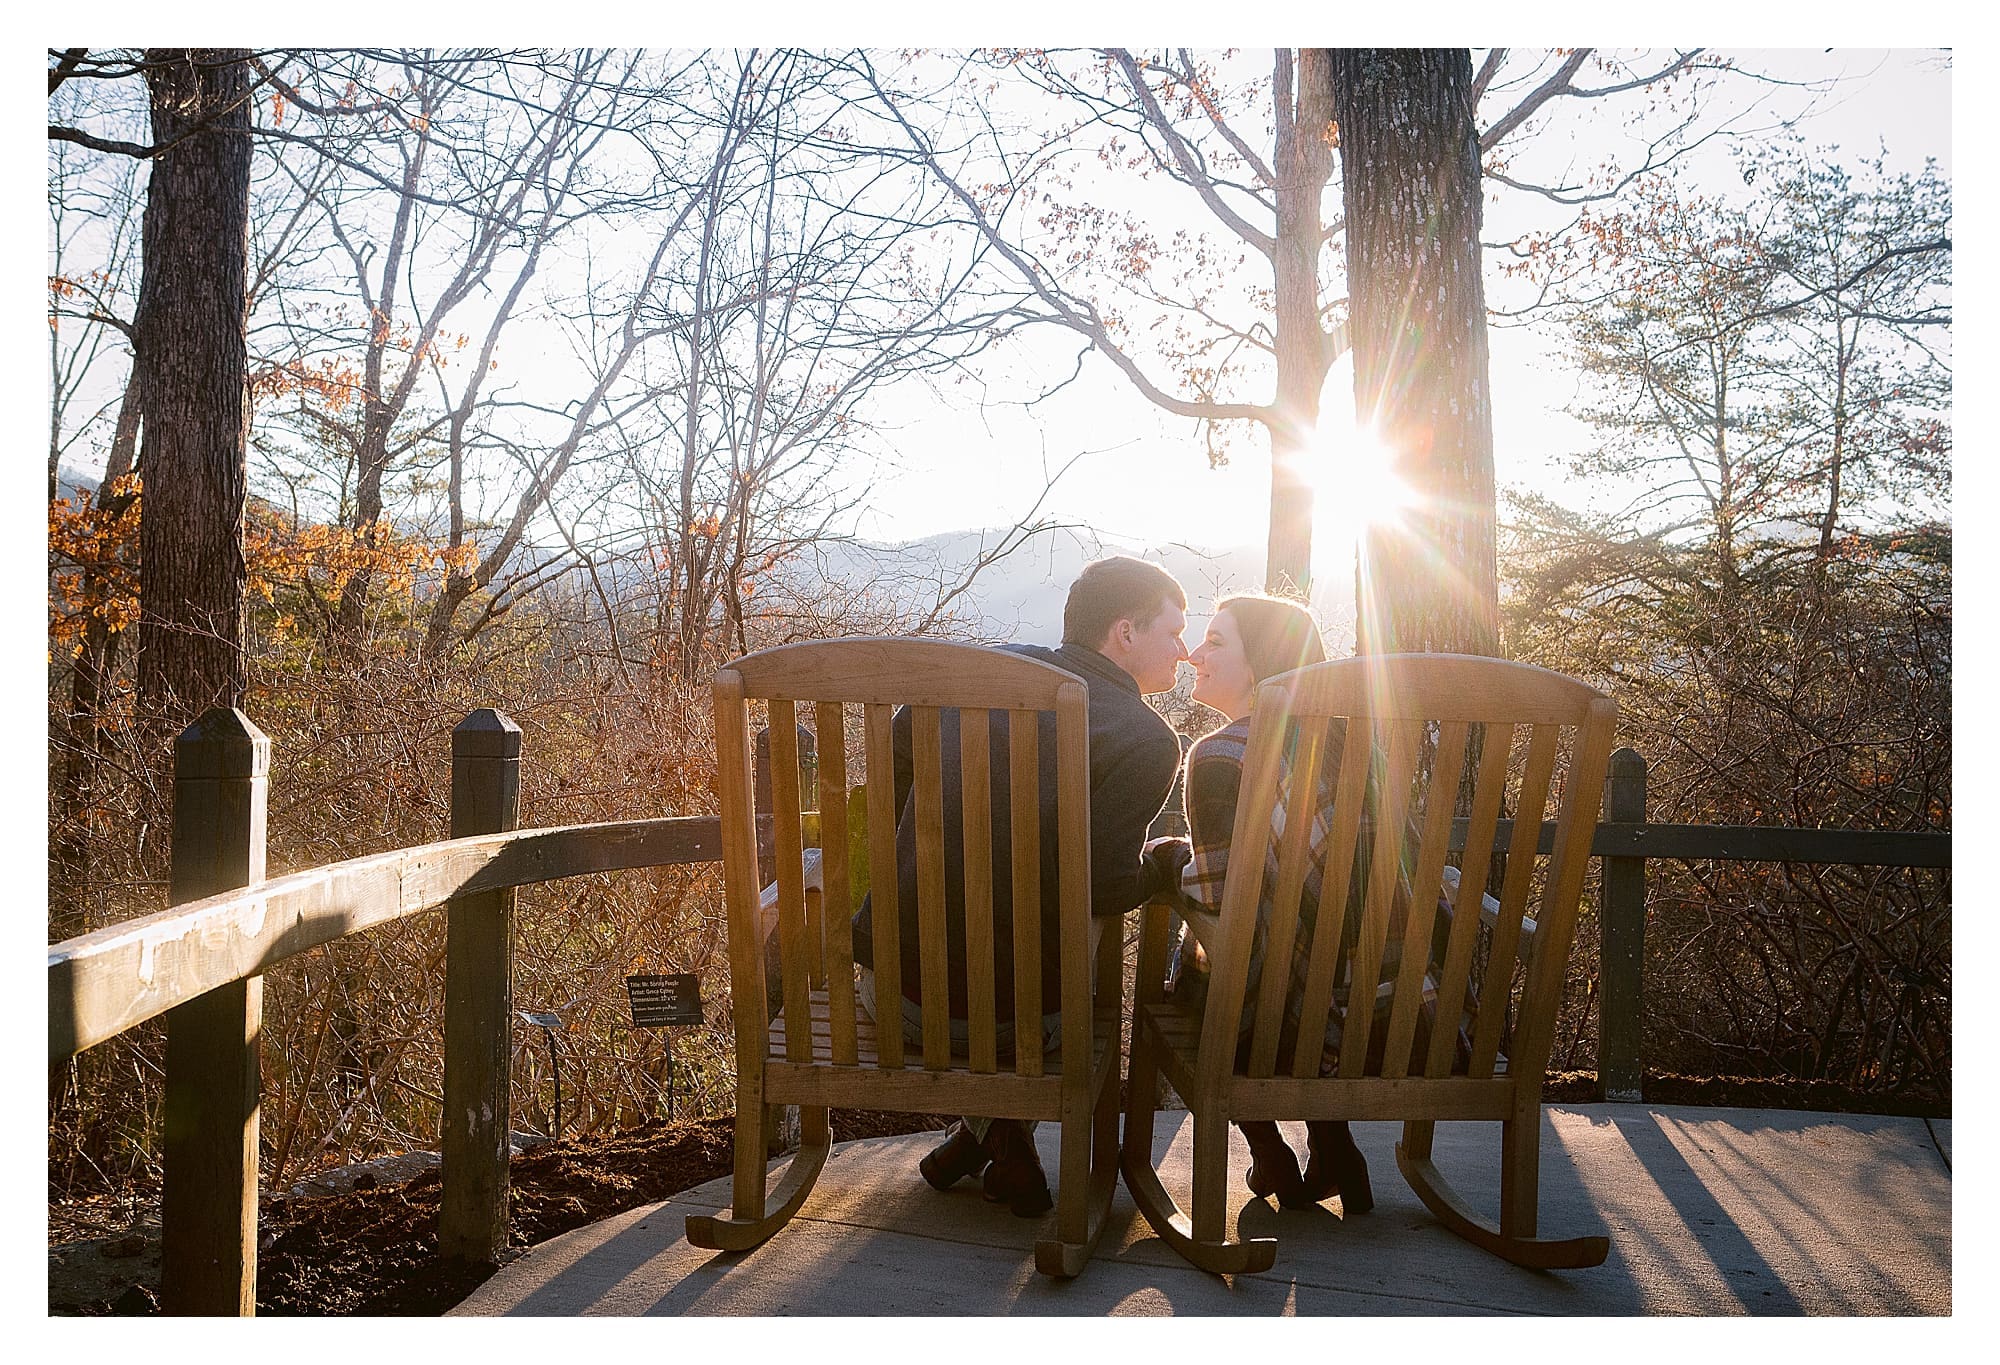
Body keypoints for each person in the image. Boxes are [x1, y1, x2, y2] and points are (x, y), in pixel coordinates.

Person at [850, 556, 1193, 1215]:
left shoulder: (971, 672)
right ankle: (1001, 1137)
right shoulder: (1146, 738)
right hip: (1022, 1025)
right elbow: (1103, 887)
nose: (1183, 648)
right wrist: (1161, 862)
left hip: (898, 995)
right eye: (1173, 631)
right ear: (1125, 632)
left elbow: (890, 788)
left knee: (1016, 962)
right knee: (1053, 982)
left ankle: (989, 1143)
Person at [1173, 593, 1454, 1214]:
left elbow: (1220, 908)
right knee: (1309, 940)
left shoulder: (1219, 757)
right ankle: (1333, 1149)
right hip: (1394, 1013)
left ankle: (1268, 1144)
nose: (1194, 653)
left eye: (1215, 643)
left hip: (1284, 1026)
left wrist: (1171, 867)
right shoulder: (1358, 752)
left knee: (1209, 967)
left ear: (1261, 665)